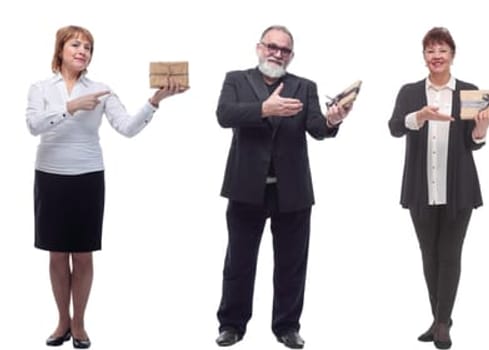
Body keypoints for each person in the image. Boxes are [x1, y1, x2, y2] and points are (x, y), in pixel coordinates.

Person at [25, 25, 188, 350]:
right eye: (76, 44)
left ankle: (80, 323)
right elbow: (32, 126)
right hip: (51, 176)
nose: (82, 51)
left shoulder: (101, 90)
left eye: (88, 47)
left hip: (87, 177)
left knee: (82, 254)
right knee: (57, 253)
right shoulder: (40, 87)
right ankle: (62, 321)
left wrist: (155, 101)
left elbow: (126, 127)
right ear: (60, 50)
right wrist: (70, 107)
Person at [213, 24, 350, 350]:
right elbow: (224, 115)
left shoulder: (304, 86)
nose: (277, 53)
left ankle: (287, 326)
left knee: (291, 264)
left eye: (284, 50)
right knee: (239, 262)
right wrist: (264, 108)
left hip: (292, 191)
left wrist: (334, 119)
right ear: (259, 47)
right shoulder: (236, 79)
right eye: (271, 46)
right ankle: (231, 325)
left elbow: (317, 128)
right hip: (246, 188)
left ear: (291, 56)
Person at [389, 27, 489, 350]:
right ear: (424, 57)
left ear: (452, 55)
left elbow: (472, 144)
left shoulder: (469, 92)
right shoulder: (409, 92)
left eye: (442, 50)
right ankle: (438, 317)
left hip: (458, 187)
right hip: (421, 186)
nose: (436, 56)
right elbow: (394, 128)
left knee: (450, 254)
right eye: (431, 50)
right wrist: (418, 116)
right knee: (429, 254)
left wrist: (481, 130)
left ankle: (443, 323)